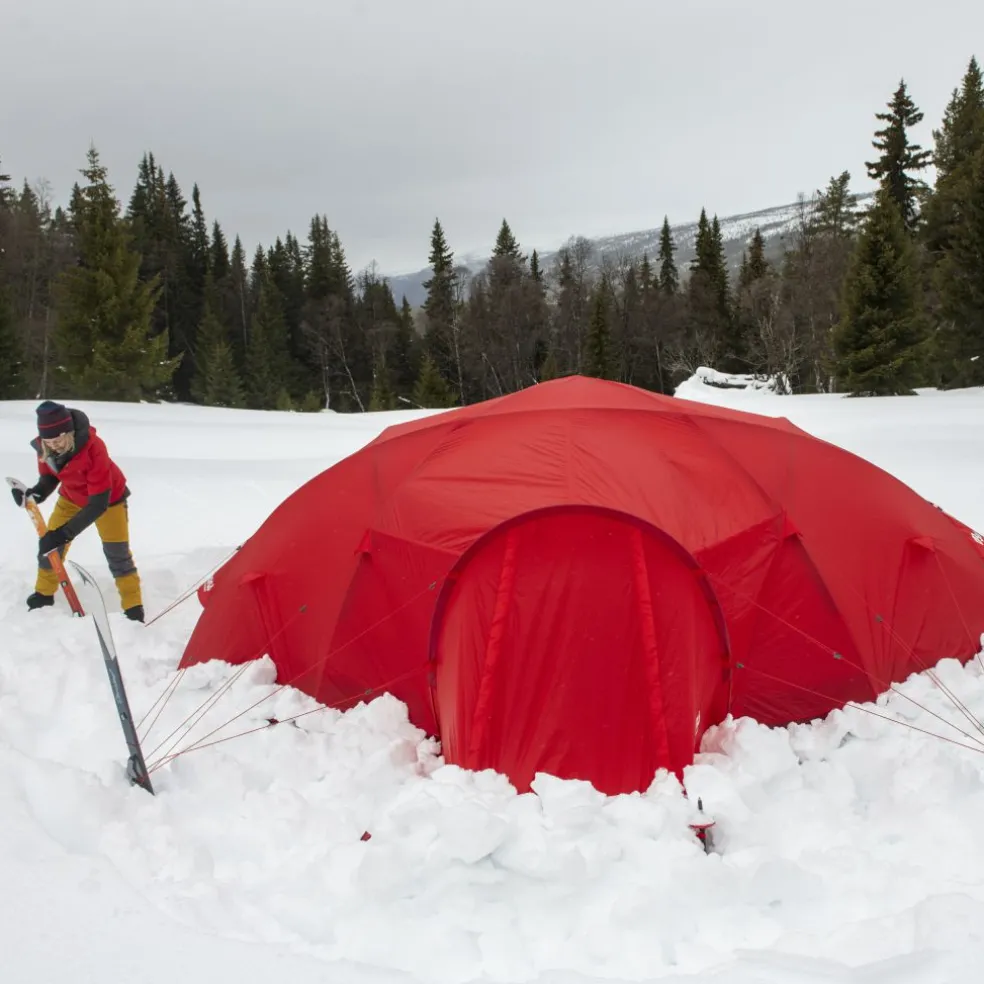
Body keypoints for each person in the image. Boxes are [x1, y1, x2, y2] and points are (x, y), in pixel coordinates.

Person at [9, 400, 144, 621]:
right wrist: (34, 495)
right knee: (49, 549)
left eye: (57, 439)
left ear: (69, 432)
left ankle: (133, 606)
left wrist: (63, 534)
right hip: (71, 498)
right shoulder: (45, 447)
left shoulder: (94, 448)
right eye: (48, 441)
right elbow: (49, 477)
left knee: (117, 554)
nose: (53, 445)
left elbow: (98, 504)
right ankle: (44, 594)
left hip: (109, 501)